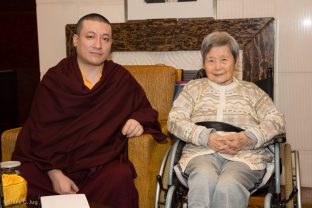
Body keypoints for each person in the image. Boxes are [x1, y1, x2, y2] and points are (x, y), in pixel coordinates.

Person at [12, 13, 166, 208]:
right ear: (76, 40)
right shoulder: (55, 79)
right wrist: (55, 173)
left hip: (98, 166)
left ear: (111, 44)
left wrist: (137, 120)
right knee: (21, 179)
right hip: (51, 165)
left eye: (105, 39)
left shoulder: (119, 79)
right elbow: (39, 132)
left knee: (119, 176)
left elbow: (146, 110)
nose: (98, 45)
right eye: (90, 36)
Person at [167, 31, 286, 208]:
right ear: (204, 63)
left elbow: (277, 120)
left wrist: (247, 138)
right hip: (201, 152)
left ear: (235, 62)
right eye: (211, 60)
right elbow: (175, 119)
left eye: (224, 60)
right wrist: (205, 137)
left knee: (229, 185)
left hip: (245, 156)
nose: (217, 67)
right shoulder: (193, 88)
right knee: (203, 179)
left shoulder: (252, 91)